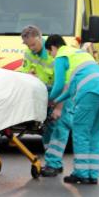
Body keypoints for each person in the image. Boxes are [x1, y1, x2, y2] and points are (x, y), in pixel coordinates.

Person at [45, 35, 99, 185]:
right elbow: (70, 90)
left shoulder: (61, 55)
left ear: (52, 47)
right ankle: (92, 174)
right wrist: (57, 101)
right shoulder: (80, 54)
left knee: (80, 131)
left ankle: (81, 173)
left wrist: (49, 100)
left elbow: (58, 85)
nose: (51, 57)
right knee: (95, 133)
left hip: (90, 93)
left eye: (50, 52)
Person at [17, 25, 62, 176]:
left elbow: (60, 81)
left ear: (40, 37)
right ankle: (54, 162)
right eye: (28, 45)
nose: (31, 48)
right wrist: (28, 75)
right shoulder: (29, 53)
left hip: (56, 96)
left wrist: (57, 105)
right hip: (41, 97)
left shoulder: (52, 54)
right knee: (47, 131)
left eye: (33, 44)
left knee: (57, 129)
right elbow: (23, 71)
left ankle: (53, 164)